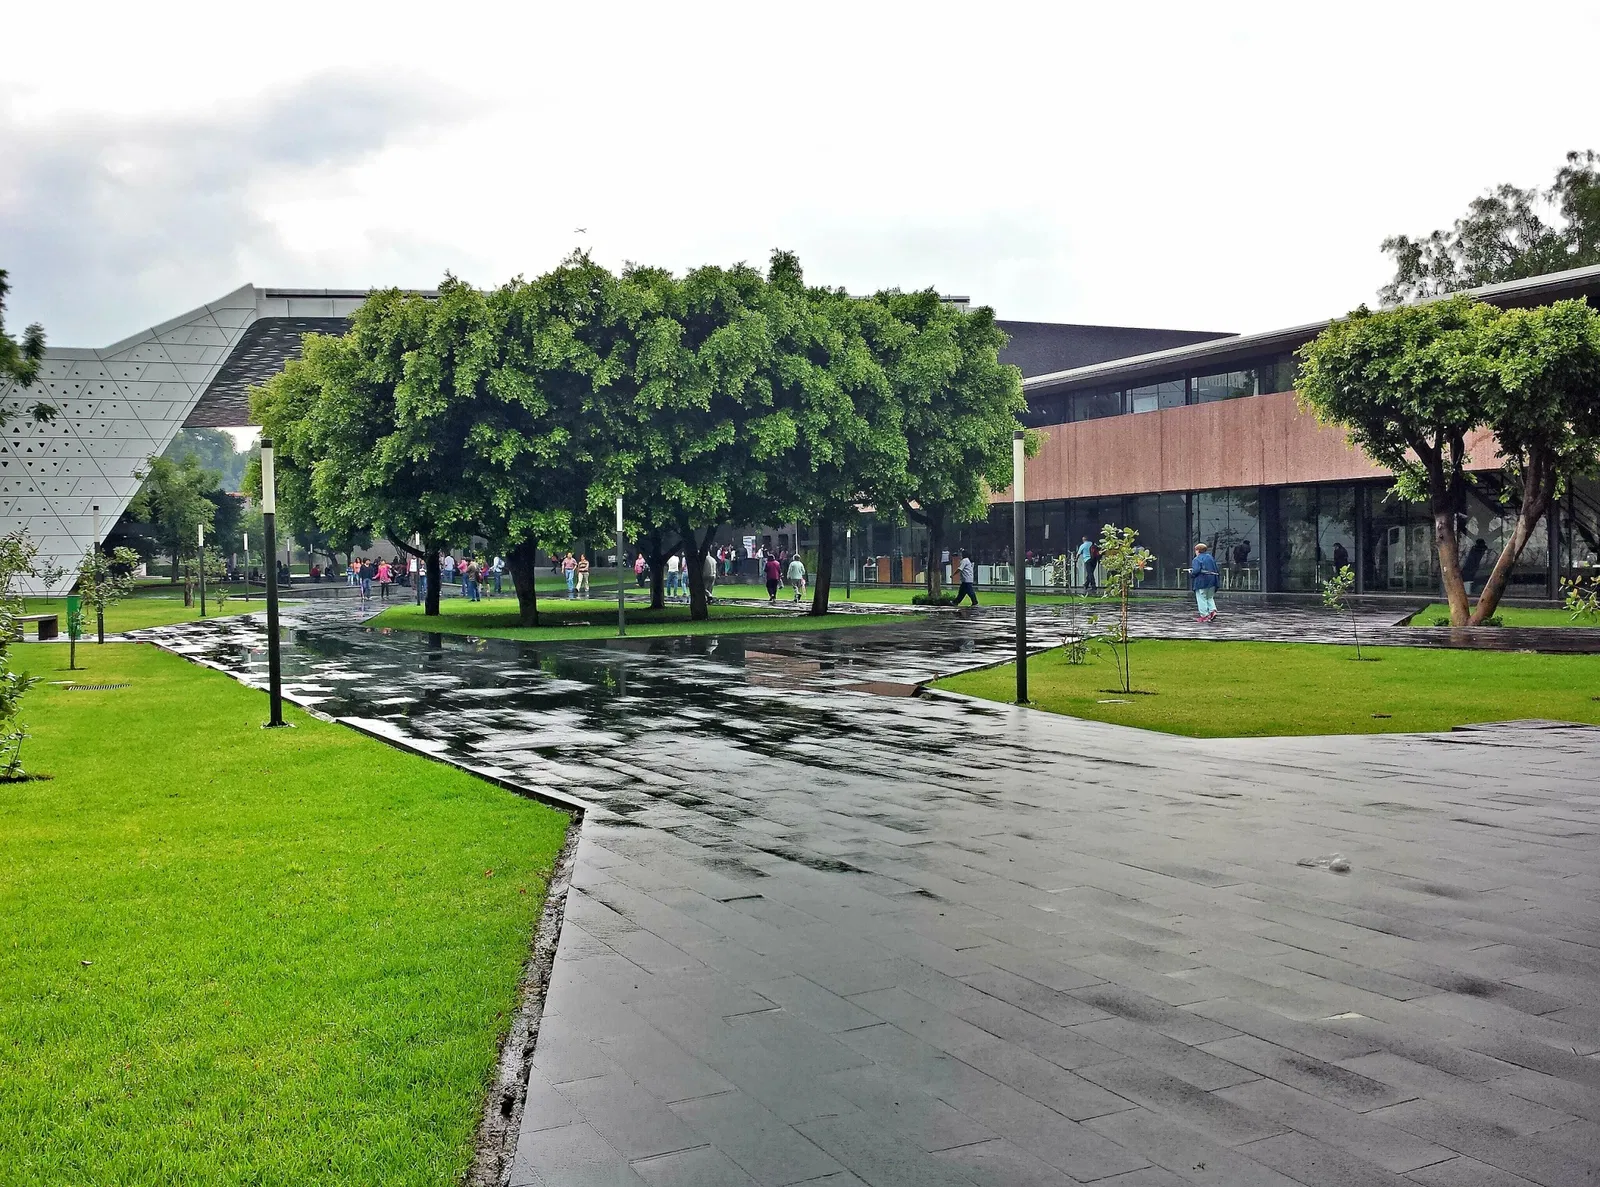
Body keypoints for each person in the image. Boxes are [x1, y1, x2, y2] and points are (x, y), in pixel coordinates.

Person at [1189, 541, 1220, 622]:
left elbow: (1196, 571)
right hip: (1213, 581)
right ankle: (1213, 611)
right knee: (1210, 597)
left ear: (1197, 550)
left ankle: (1204, 616)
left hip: (1202, 581)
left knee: (1201, 598)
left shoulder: (1197, 559)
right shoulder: (1210, 558)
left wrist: (1191, 573)